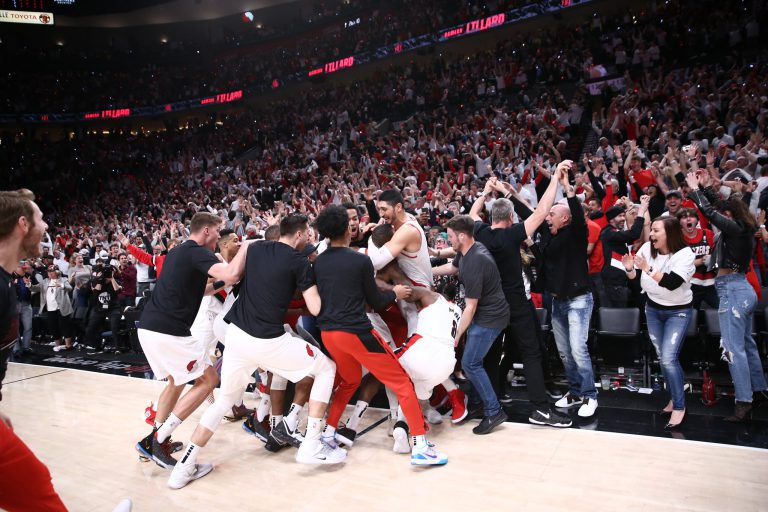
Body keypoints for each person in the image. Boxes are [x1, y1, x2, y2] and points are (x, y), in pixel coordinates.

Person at [168, 215, 345, 490]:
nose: (309, 239)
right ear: (299, 235)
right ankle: (311, 444)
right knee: (326, 368)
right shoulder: (299, 261)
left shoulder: (254, 247)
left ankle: (184, 466)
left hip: (237, 336)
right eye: (308, 234)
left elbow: (233, 273)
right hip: (267, 339)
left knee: (223, 402)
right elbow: (315, 308)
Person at [313, 205, 447, 465]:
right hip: (356, 331)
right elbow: (376, 300)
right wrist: (394, 294)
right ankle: (420, 445)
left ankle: (328, 434)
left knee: (350, 381)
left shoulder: (320, 261)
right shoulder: (361, 261)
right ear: (346, 230)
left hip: (328, 332)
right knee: (403, 383)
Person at [135, 212, 248, 478]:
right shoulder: (196, 251)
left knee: (175, 382)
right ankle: (155, 441)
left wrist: (224, 281)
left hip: (150, 327)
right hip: (168, 330)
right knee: (208, 380)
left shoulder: (178, 252)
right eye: (217, 231)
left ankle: (157, 439)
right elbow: (231, 273)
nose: (218, 237)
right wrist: (247, 247)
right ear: (206, 230)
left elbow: (203, 290)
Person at [468, 162, 573, 428]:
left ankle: (489, 405)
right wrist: (554, 180)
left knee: (491, 356)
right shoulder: (512, 235)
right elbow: (542, 211)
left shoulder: (481, 233)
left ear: (492, 217)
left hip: (490, 305)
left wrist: (485, 191)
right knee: (531, 353)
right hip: (515, 303)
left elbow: (472, 213)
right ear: (511, 217)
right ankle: (540, 409)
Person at [685, 171, 768, 422]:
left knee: (733, 349)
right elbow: (718, 207)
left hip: (733, 291)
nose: (723, 217)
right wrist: (704, 188)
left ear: (733, 215)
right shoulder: (741, 227)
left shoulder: (738, 229)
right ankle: (758, 390)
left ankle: (744, 401)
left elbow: (711, 212)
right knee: (747, 344)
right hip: (738, 289)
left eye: (727, 214)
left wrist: (695, 190)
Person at [433, 215, 511, 434]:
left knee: (470, 363)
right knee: (476, 362)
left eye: (450, 237)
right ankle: (479, 403)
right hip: (486, 314)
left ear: (462, 236)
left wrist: (457, 336)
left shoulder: (477, 260)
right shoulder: (466, 251)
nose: (449, 241)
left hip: (490, 318)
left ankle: (494, 411)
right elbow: (452, 268)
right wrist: (427, 272)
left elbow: (470, 307)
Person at [623, 217, 695, 429]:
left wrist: (646, 268)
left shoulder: (685, 254)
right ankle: (674, 398)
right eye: (652, 230)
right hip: (653, 309)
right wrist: (629, 269)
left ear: (669, 233)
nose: (651, 235)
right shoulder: (647, 248)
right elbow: (635, 280)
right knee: (664, 359)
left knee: (669, 359)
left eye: (656, 231)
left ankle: (679, 406)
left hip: (678, 311)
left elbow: (672, 283)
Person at [538, 171, 598, 417]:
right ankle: (575, 392)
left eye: (552, 214)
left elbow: (579, 218)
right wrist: (511, 194)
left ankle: (590, 395)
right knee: (564, 351)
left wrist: (568, 190)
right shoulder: (549, 236)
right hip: (557, 300)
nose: (548, 218)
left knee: (577, 349)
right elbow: (532, 214)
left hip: (578, 299)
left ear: (565, 218)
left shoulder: (576, 233)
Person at [599, 197, 650, 307]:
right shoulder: (609, 233)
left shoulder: (613, 231)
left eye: (623, 215)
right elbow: (634, 234)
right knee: (618, 314)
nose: (623, 218)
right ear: (611, 219)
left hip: (619, 281)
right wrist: (641, 211)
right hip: (614, 284)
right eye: (619, 216)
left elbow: (633, 234)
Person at [676, 208, 718, 308]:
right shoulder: (677, 239)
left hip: (711, 283)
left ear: (697, 220)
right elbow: (679, 264)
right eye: (684, 217)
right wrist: (702, 261)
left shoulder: (708, 234)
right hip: (689, 285)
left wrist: (713, 259)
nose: (688, 219)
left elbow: (718, 256)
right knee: (689, 313)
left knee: (722, 310)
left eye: (691, 216)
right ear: (679, 222)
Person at [30, 265, 74, 352]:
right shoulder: (45, 281)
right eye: (48, 271)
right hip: (50, 308)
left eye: (51, 271)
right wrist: (29, 284)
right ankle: (58, 345)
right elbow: (34, 288)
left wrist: (62, 286)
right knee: (53, 327)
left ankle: (68, 345)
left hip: (62, 307)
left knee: (65, 326)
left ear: (57, 272)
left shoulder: (63, 280)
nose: (49, 273)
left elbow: (70, 288)